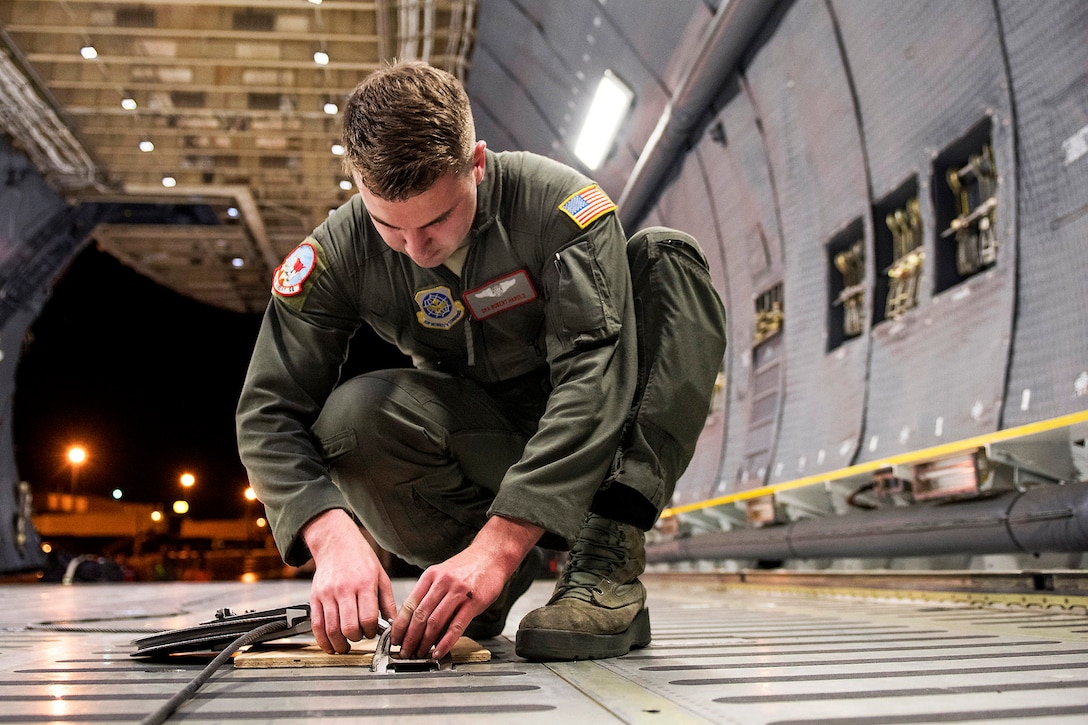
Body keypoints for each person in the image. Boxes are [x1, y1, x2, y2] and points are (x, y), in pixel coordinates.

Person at [236, 60, 726, 662]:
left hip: (600, 444)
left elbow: (594, 379)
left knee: (668, 259)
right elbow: (267, 412)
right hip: (483, 439)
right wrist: (330, 532)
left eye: (438, 219)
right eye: (389, 224)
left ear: (477, 163)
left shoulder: (558, 209)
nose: (416, 248)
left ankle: (606, 564)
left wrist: (501, 544)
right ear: (359, 187)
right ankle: (470, 588)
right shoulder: (339, 252)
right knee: (351, 419)